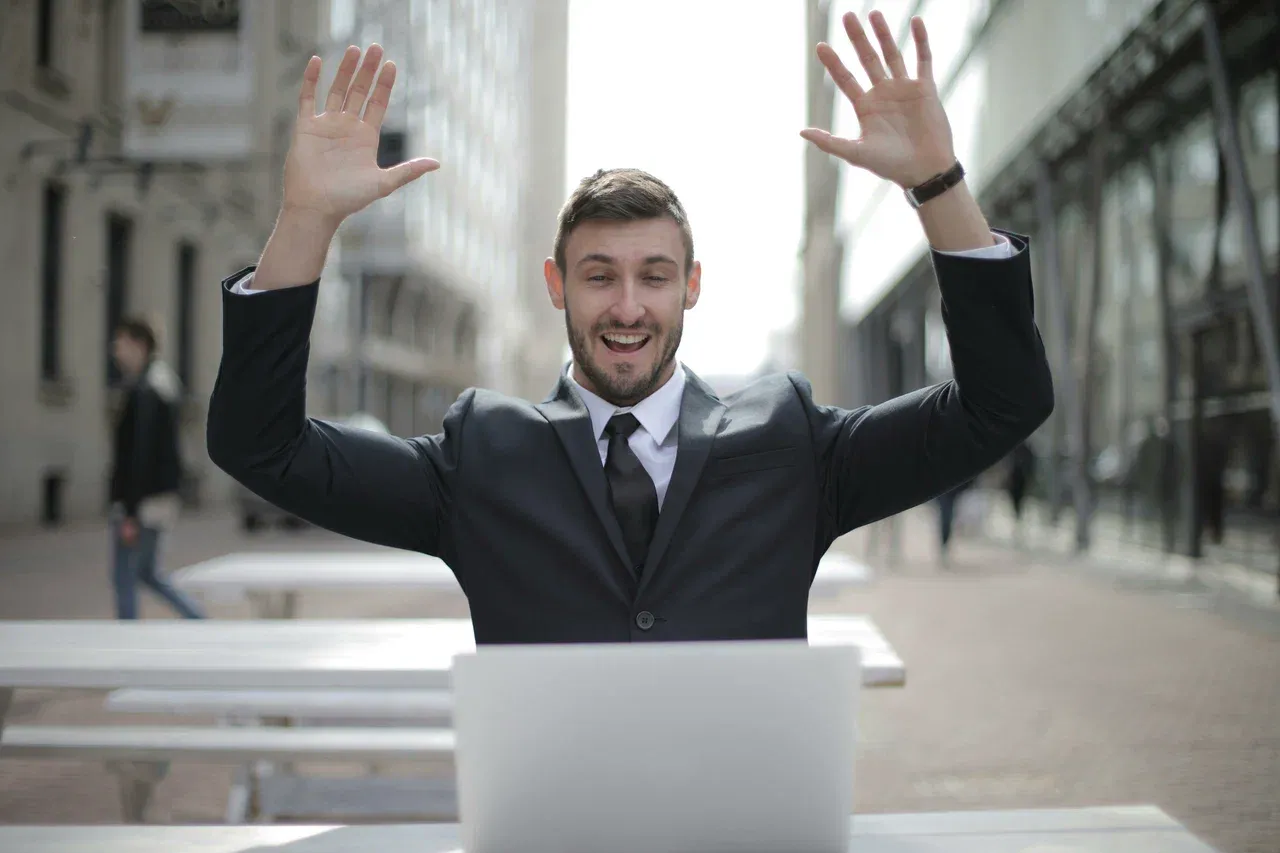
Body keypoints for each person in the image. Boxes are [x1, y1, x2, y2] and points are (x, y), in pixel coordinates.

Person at [207, 12, 1054, 644]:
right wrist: (306, 221)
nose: (625, 307)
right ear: (556, 287)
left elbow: (1002, 403)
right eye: (598, 276)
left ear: (691, 288)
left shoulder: (794, 446)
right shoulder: (480, 459)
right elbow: (261, 446)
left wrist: (939, 185)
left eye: (654, 276)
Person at [109, 317, 204, 620]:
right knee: (147, 573)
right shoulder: (160, 383)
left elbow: (140, 455)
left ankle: (128, 642)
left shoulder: (147, 390)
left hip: (143, 502)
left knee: (125, 574)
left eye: (121, 343)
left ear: (139, 345)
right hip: (157, 497)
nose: (115, 350)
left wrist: (130, 511)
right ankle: (200, 621)